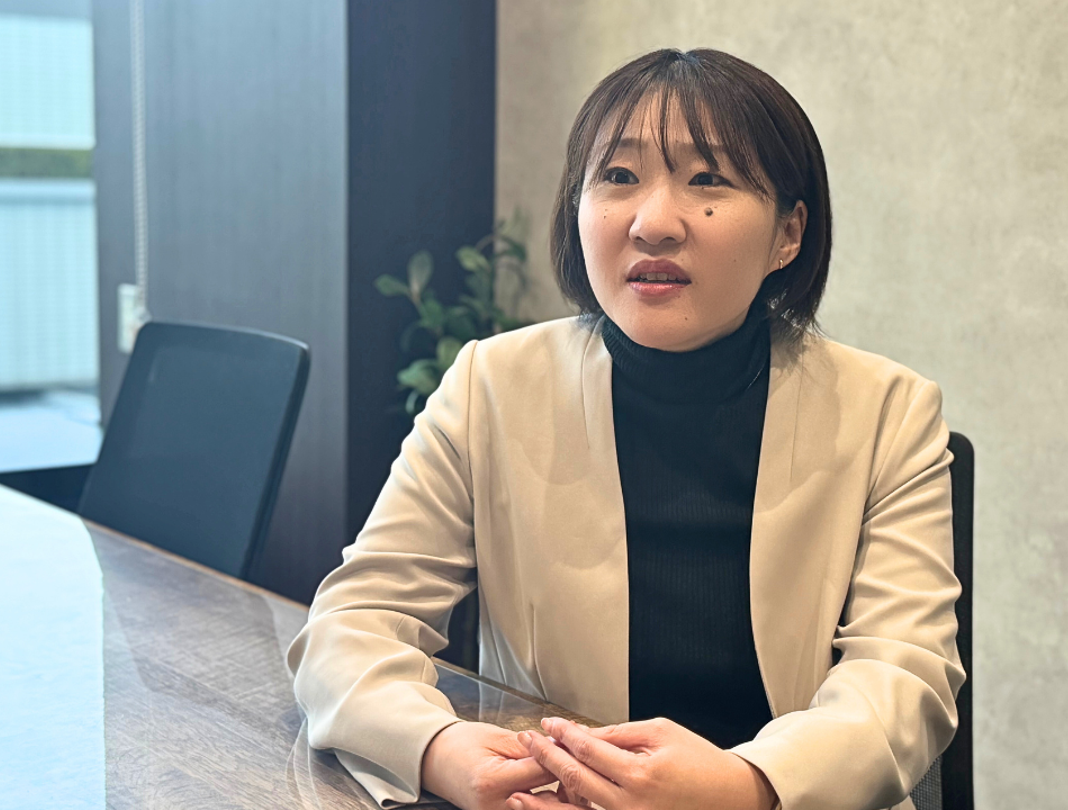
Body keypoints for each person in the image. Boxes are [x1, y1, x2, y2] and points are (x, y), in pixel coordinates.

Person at [287, 48, 964, 810]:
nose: (652, 223)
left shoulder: (889, 411)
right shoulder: (490, 386)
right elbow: (352, 625)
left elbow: (906, 676)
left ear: (789, 233)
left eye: (708, 180)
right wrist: (439, 749)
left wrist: (748, 786)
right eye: (617, 175)